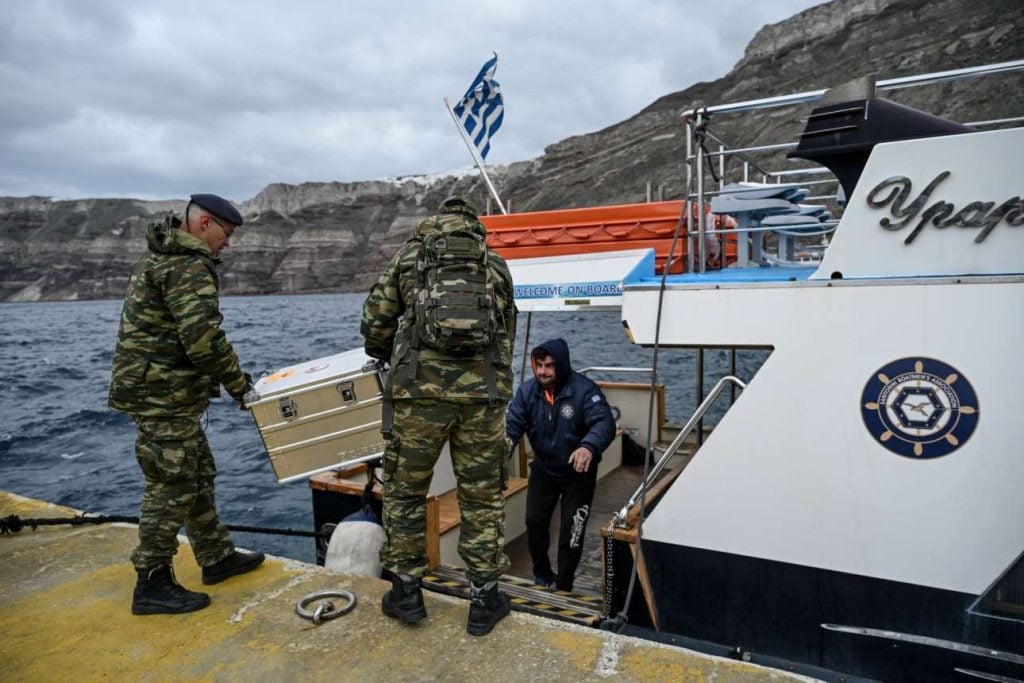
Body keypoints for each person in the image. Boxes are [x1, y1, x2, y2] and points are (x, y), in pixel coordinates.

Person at [361, 195, 517, 637]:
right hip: (483, 399)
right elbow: (508, 328)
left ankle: (407, 594)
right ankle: (485, 599)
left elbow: (374, 322)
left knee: (407, 494)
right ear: (473, 225)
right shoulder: (496, 264)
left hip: (417, 397)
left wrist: (389, 353)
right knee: (482, 497)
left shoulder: (410, 257)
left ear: (433, 221)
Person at [108, 193, 265, 616]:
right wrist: (241, 386)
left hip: (161, 391)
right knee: (172, 483)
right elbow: (204, 343)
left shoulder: (160, 257)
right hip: (164, 396)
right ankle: (152, 582)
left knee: (196, 473)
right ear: (203, 224)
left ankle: (215, 557)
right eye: (226, 234)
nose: (227, 244)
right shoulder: (187, 264)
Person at [505, 338, 616, 592]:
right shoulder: (527, 392)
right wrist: (503, 447)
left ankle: (564, 584)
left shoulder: (585, 391)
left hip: (578, 474)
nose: (543, 371)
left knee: (571, 533)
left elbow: (604, 423)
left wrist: (588, 446)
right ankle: (542, 574)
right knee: (534, 522)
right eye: (539, 365)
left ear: (562, 366)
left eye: (549, 366)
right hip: (544, 469)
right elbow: (513, 426)